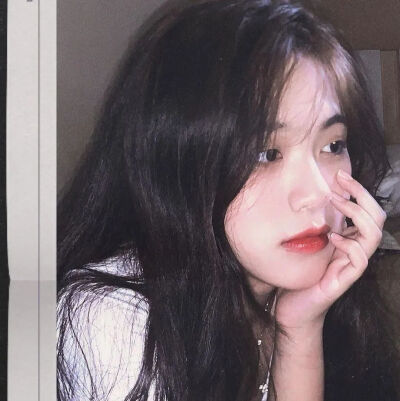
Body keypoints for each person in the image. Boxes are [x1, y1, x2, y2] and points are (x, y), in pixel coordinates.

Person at [56, 0, 400, 400]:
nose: (319, 194)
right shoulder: (113, 317)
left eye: (333, 145)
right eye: (266, 154)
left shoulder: (296, 293)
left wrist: (301, 327)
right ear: (180, 162)